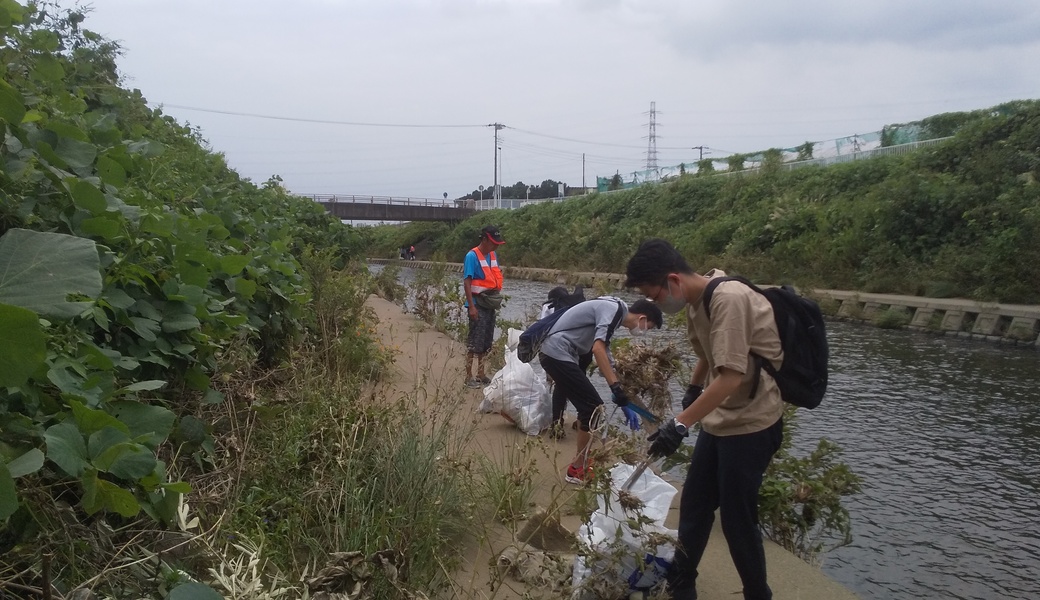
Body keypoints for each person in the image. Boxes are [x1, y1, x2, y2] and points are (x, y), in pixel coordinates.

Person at [624, 239, 784, 600]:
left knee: (737, 519)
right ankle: (683, 585)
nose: (655, 304)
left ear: (673, 281)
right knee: (695, 505)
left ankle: (758, 594)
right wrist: (695, 388)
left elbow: (730, 376)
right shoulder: (699, 300)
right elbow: (713, 354)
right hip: (722, 418)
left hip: (752, 422)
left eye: (654, 295)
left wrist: (680, 423)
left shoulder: (728, 298)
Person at [536, 296, 663, 484]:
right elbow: (598, 349)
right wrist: (615, 387)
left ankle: (580, 465)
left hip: (558, 353)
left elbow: (606, 355)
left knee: (589, 407)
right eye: (649, 328)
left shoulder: (614, 312)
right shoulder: (615, 310)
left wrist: (622, 395)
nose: (644, 331)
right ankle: (577, 469)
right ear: (643, 319)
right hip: (556, 353)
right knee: (592, 407)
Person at [462, 226, 505, 388]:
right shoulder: (471, 256)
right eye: (493, 243)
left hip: (489, 303)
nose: (496, 246)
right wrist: (471, 307)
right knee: (474, 342)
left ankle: (480, 373)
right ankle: (468, 376)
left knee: (486, 341)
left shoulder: (492, 255)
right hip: (477, 304)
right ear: (484, 239)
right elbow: (467, 282)